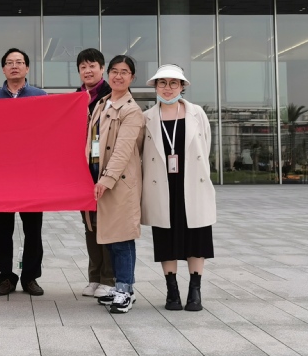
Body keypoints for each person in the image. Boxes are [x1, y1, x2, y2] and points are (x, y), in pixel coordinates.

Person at [141, 64, 216, 312]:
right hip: (162, 185)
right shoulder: (147, 117)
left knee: (197, 237)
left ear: (182, 86)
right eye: (162, 83)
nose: (168, 88)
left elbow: (206, 147)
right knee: (166, 237)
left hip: (192, 183)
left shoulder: (197, 113)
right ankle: (172, 291)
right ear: (155, 87)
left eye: (174, 83)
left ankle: (195, 290)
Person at [0, 48, 48, 296]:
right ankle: (6, 278)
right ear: (3, 69)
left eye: (19, 62)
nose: (15, 66)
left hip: (31, 174)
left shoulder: (40, 96)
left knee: (33, 230)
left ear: (27, 68)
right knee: (3, 231)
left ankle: (30, 277)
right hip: (1, 175)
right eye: (10, 63)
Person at [88, 55, 145, 314]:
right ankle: (118, 286)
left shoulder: (132, 111)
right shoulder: (102, 103)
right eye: (114, 71)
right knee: (110, 238)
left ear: (132, 77)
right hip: (100, 178)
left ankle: (125, 289)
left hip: (118, 183)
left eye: (124, 72)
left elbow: (122, 150)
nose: (118, 76)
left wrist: (107, 179)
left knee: (122, 238)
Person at [76, 48, 115, 299]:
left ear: (102, 69)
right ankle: (94, 277)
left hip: (105, 169)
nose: (88, 71)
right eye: (83, 67)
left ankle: (109, 278)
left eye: (92, 66)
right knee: (90, 225)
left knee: (107, 225)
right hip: (83, 172)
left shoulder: (112, 96)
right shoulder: (76, 99)